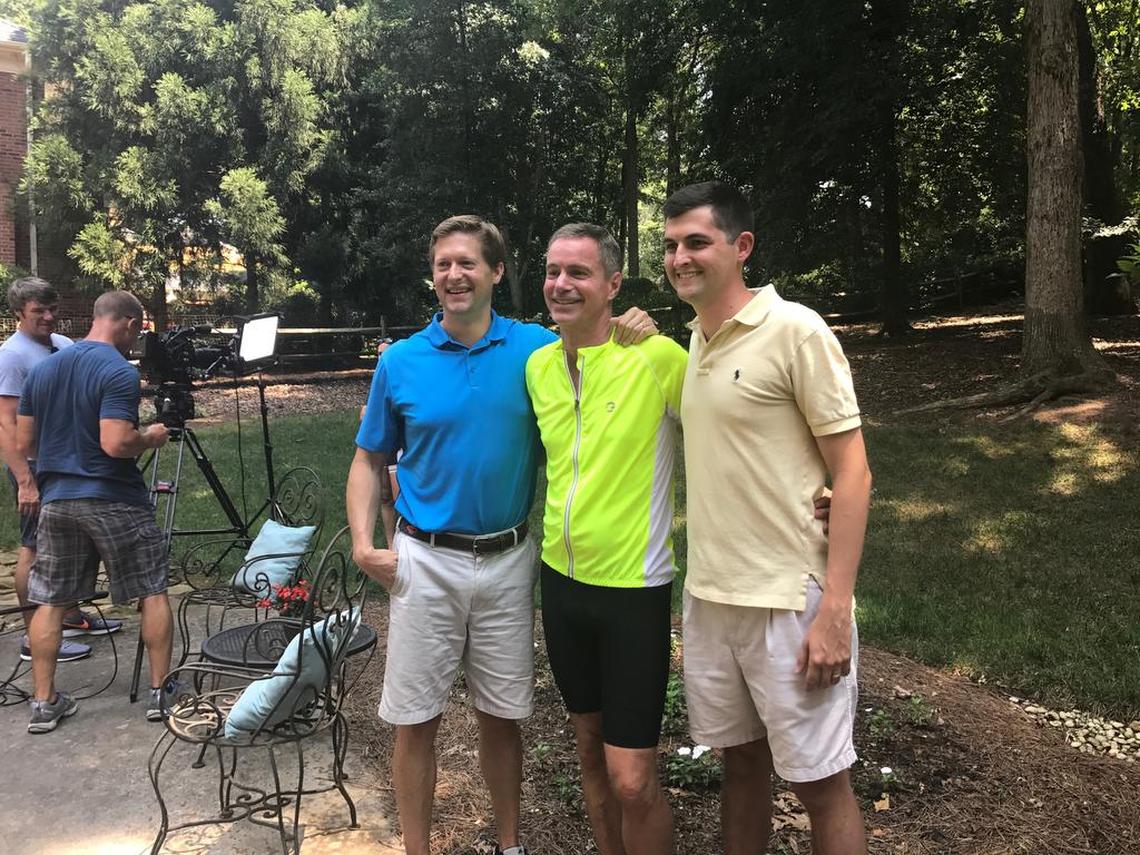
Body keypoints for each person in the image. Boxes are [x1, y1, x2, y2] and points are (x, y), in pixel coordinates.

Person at [346, 214, 655, 855]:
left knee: (501, 714)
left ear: (496, 272)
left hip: (511, 558)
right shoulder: (399, 362)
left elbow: (602, 351)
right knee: (414, 721)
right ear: (432, 277)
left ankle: (509, 844)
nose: (454, 275)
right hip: (424, 560)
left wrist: (638, 325)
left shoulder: (536, 350)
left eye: (467, 263)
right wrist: (363, 543)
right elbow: (368, 458)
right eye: (442, 265)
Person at [663, 181, 873, 854]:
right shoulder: (693, 343)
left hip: (789, 598)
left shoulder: (796, 330)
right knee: (741, 766)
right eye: (670, 245)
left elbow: (854, 470)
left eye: (697, 241)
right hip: (712, 596)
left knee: (821, 783)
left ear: (741, 245)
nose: (680, 257)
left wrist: (835, 606)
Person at [525, 223, 686, 854]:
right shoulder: (538, 365)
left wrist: (819, 485)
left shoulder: (657, 359)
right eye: (553, 271)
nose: (562, 284)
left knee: (632, 777)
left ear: (614, 285)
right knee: (589, 749)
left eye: (579, 273)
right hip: (560, 586)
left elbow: (739, 426)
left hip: (632, 592)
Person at [16, 290, 175, 733]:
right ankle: (161, 693)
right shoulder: (116, 371)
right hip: (114, 498)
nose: (136, 339)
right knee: (153, 589)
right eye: (137, 330)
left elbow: (25, 443)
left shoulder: (43, 370)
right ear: (127, 322)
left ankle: (44, 701)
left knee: (50, 599)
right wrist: (151, 437)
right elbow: (115, 442)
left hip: (57, 500)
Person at [0, 277, 123, 665]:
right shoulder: (12, 355)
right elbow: (5, 423)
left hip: (64, 461)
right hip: (33, 466)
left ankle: (69, 617)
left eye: (53, 309)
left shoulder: (64, 346)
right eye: (40, 311)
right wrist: (24, 480)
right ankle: (32, 634)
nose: (50, 317)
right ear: (19, 313)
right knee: (35, 548)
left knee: (69, 544)